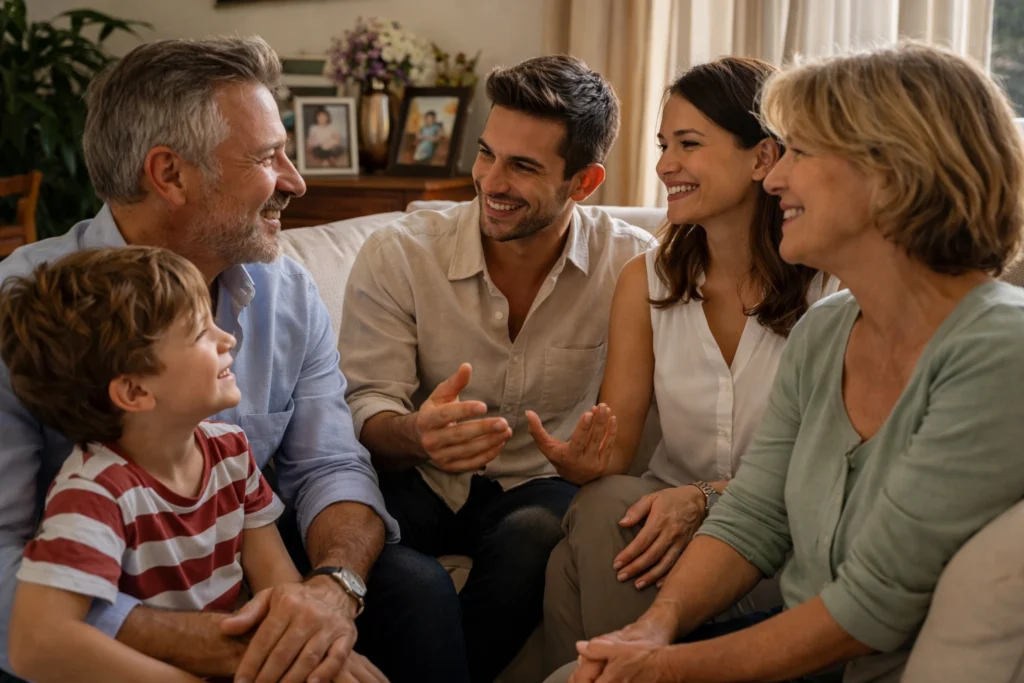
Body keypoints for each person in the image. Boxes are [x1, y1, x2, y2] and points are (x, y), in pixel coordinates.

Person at [549, 41, 1024, 683]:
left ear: (891, 172)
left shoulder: (1000, 348)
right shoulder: (826, 330)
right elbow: (755, 517)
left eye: (799, 151)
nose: (775, 178)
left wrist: (662, 669)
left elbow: (871, 608)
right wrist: (650, 630)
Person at [0, 36, 425, 683]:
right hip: (79, 600)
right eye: (267, 157)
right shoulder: (25, 309)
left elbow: (330, 463)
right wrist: (197, 641)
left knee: (416, 593)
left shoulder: (287, 288)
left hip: (239, 574)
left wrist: (324, 599)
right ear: (169, 174)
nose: (296, 181)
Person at [338, 55, 653, 683]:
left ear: (584, 183)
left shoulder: (633, 267)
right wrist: (415, 433)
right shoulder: (400, 254)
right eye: (487, 154)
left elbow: (630, 431)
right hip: (416, 480)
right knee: (414, 581)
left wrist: (590, 463)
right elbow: (365, 404)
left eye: (523, 166)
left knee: (539, 529)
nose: (491, 180)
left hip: (538, 489)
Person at [531, 56, 838, 675]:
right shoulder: (643, 281)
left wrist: (704, 498)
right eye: (664, 145)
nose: (665, 165)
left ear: (763, 158)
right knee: (600, 506)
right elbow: (616, 460)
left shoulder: (833, 286)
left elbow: (824, 469)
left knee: (576, 560)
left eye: (689, 145)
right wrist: (580, 461)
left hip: (784, 537)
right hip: (659, 533)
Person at [0, 247, 382, 683]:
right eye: (201, 332)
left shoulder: (230, 453)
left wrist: (317, 655)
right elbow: (36, 644)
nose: (228, 338)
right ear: (135, 391)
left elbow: (283, 590)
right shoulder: (93, 494)